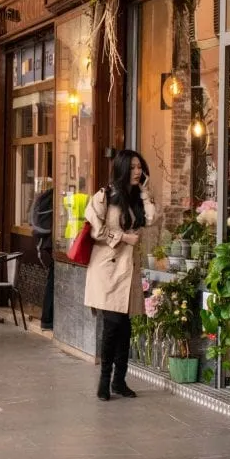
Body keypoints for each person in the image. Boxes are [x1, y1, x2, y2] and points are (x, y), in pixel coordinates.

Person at [84, 150, 155, 402]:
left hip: (128, 269)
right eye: (134, 167)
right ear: (123, 168)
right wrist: (123, 237)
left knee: (125, 327)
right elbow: (95, 231)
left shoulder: (137, 198)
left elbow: (153, 219)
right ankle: (104, 382)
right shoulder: (104, 196)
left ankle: (119, 381)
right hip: (107, 268)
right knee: (112, 325)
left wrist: (145, 192)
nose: (138, 171)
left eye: (140, 167)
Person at [30, 186, 54, 330]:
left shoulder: (48, 195)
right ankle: (48, 319)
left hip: (45, 243)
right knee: (52, 282)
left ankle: (47, 319)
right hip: (51, 243)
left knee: (51, 281)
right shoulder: (54, 196)